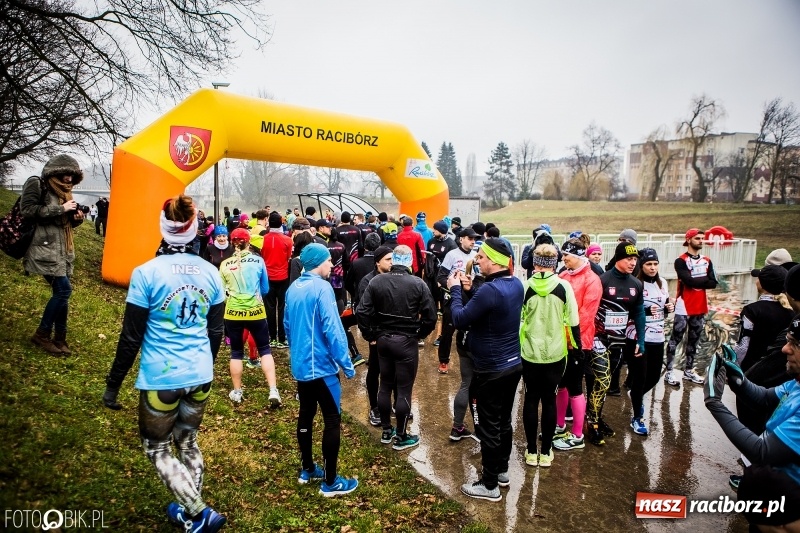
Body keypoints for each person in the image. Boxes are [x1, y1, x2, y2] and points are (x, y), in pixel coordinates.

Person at [102, 194, 227, 532]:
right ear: (193, 230)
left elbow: (131, 336)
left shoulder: (146, 273)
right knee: (187, 442)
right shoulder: (212, 274)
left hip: (162, 377)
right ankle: (189, 514)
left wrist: (113, 384)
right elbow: (216, 331)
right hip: (200, 372)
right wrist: (206, 367)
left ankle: (199, 512)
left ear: (164, 230)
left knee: (157, 447)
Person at [703, 319, 800, 531]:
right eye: (787, 341)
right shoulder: (797, 382)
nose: (785, 349)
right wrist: (739, 380)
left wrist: (715, 404)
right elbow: (765, 397)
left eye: (795, 344)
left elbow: (761, 452)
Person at [449, 238, 523, 502]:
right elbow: (487, 311)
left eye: (481, 257)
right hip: (513, 365)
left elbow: (459, 319)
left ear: (493, 261)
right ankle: (501, 471)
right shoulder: (515, 284)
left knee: (488, 427)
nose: (476, 260)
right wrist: (471, 291)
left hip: (490, 369)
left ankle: (489, 485)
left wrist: (456, 290)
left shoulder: (489, 291)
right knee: (503, 421)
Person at [284, 243, 358, 497]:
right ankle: (330, 481)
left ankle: (307, 468)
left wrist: (296, 355)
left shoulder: (294, 287)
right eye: (328, 261)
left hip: (301, 365)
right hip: (322, 368)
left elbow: (287, 326)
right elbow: (334, 329)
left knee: (306, 413)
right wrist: (347, 364)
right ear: (317, 262)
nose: (331, 265)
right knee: (332, 420)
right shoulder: (323, 288)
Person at [357, 245, 437, 451]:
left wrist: (370, 334)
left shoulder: (376, 281)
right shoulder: (418, 284)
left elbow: (362, 311)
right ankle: (401, 436)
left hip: (383, 340)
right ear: (409, 262)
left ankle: (386, 430)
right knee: (403, 389)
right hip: (406, 341)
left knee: (385, 385)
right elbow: (431, 316)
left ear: (394, 261)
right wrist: (420, 334)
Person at [519, 243, 580, 468]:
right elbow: (573, 321)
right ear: (554, 264)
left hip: (530, 353)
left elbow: (519, 320)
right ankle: (546, 453)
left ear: (535, 263)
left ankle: (531, 450)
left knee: (531, 399)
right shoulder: (564, 286)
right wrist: (578, 348)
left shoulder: (525, 287)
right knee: (550, 400)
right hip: (555, 354)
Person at [21, 155, 85, 355]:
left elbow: (64, 222)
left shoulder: (66, 193)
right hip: (44, 248)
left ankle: (60, 338)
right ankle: (42, 334)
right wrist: (61, 208)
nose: (68, 179)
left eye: (72, 175)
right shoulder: (37, 184)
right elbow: (28, 210)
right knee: (64, 291)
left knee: (62, 294)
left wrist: (76, 218)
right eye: (65, 174)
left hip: (62, 250)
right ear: (54, 172)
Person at [588, 241, 646, 446]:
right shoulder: (602, 280)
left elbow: (638, 312)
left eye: (635, 259)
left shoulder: (636, 284)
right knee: (601, 382)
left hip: (619, 341)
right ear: (618, 259)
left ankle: (595, 416)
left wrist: (641, 338)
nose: (632, 263)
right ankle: (592, 423)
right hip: (598, 339)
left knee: (605, 383)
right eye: (628, 259)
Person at [220, 228, 281, 408]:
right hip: (256, 311)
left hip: (232, 312)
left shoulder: (224, 264)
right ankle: (273, 390)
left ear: (232, 243)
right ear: (249, 243)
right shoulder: (258, 261)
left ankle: (237, 392)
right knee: (265, 350)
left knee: (236, 352)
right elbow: (265, 289)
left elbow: (221, 293)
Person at [553, 239, 602, 451]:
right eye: (563, 255)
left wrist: (570, 339)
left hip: (579, 343)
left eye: (567, 255)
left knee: (575, 386)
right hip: (560, 342)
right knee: (560, 385)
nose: (563, 259)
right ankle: (559, 424)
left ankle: (578, 434)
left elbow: (586, 316)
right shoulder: (563, 276)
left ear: (580, 256)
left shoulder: (592, 280)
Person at [625, 248, 673, 435]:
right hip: (637, 337)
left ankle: (635, 395)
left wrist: (669, 307)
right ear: (641, 266)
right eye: (648, 264)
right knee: (640, 377)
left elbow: (663, 307)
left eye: (655, 264)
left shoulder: (663, 284)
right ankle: (637, 418)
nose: (652, 268)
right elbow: (627, 311)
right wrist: (644, 312)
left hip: (658, 337)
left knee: (654, 377)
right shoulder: (636, 284)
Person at [665, 228, 718, 387]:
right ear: (688, 240)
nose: (701, 241)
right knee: (676, 337)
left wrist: (696, 279)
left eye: (702, 238)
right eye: (697, 238)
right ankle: (669, 371)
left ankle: (689, 370)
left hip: (700, 305)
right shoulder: (681, 260)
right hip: (683, 305)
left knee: (694, 340)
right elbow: (688, 281)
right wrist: (702, 280)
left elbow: (713, 282)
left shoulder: (707, 260)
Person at [355, 245, 395, 426]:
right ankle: (374, 407)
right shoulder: (368, 281)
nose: (392, 262)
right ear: (377, 262)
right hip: (377, 335)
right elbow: (362, 311)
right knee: (375, 370)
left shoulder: (395, 277)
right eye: (388, 259)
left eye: (392, 258)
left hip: (393, 334)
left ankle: (393, 405)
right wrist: (369, 335)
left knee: (393, 370)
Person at [261, 211, 293, 349]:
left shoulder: (262, 239)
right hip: (283, 277)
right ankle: (281, 338)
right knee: (282, 308)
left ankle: (272, 337)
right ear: (282, 223)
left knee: (269, 308)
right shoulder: (288, 240)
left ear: (269, 223)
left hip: (268, 277)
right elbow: (288, 258)